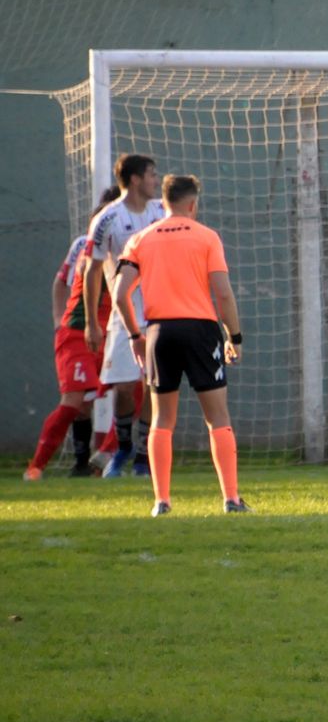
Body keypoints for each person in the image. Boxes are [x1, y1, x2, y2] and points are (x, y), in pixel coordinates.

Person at [110, 174, 249, 516]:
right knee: (217, 417)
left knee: (162, 419)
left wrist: (135, 335)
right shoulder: (206, 237)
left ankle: (161, 501)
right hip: (200, 330)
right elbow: (223, 292)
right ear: (193, 203)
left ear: (165, 200)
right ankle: (231, 499)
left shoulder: (142, 239)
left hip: (159, 332)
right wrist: (235, 336)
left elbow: (119, 294)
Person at [24, 187, 122, 480]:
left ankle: (101, 458)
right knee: (74, 403)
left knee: (136, 391)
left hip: (114, 332)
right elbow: (59, 282)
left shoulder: (131, 243)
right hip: (78, 331)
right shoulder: (83, 245)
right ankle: (37, 467)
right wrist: (58, 320)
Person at [83, 154, 164, 478]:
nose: (156, 180)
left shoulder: (161, 212)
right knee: (124, 385)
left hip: (160, 309)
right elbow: (91, 271)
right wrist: (92, 322)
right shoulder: (107, 218)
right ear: (134, 180)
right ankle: (124, 447)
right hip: (124, 311)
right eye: (151, 175)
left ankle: (144, 455)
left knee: (153, 382)